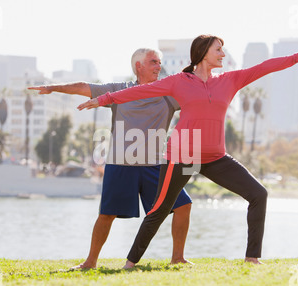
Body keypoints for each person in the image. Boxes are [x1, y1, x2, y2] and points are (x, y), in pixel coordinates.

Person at [78, 34, 298, 267]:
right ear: (202, 53)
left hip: (215, 156)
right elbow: (138, 91)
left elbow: (265, 67)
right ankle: (130, 263)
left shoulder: (230, 80)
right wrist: (101, 100)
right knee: (160, 209)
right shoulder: (179, 82)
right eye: (218, 50)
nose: (222, 54)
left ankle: (251, 258)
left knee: (258, 194)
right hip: (182, 154)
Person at [29, 48, 192, 269]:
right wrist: (52, 88)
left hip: (154, 167)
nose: (158, 66)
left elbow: (197, 97)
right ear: (139, 66)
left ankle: (177, 257)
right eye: (153, 62)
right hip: (120, 165)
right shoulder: (117, 91)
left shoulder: (167, 94)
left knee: (183, 205)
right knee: (106, 215)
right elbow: (83, 87)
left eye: (159, 62)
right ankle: (90, 262)